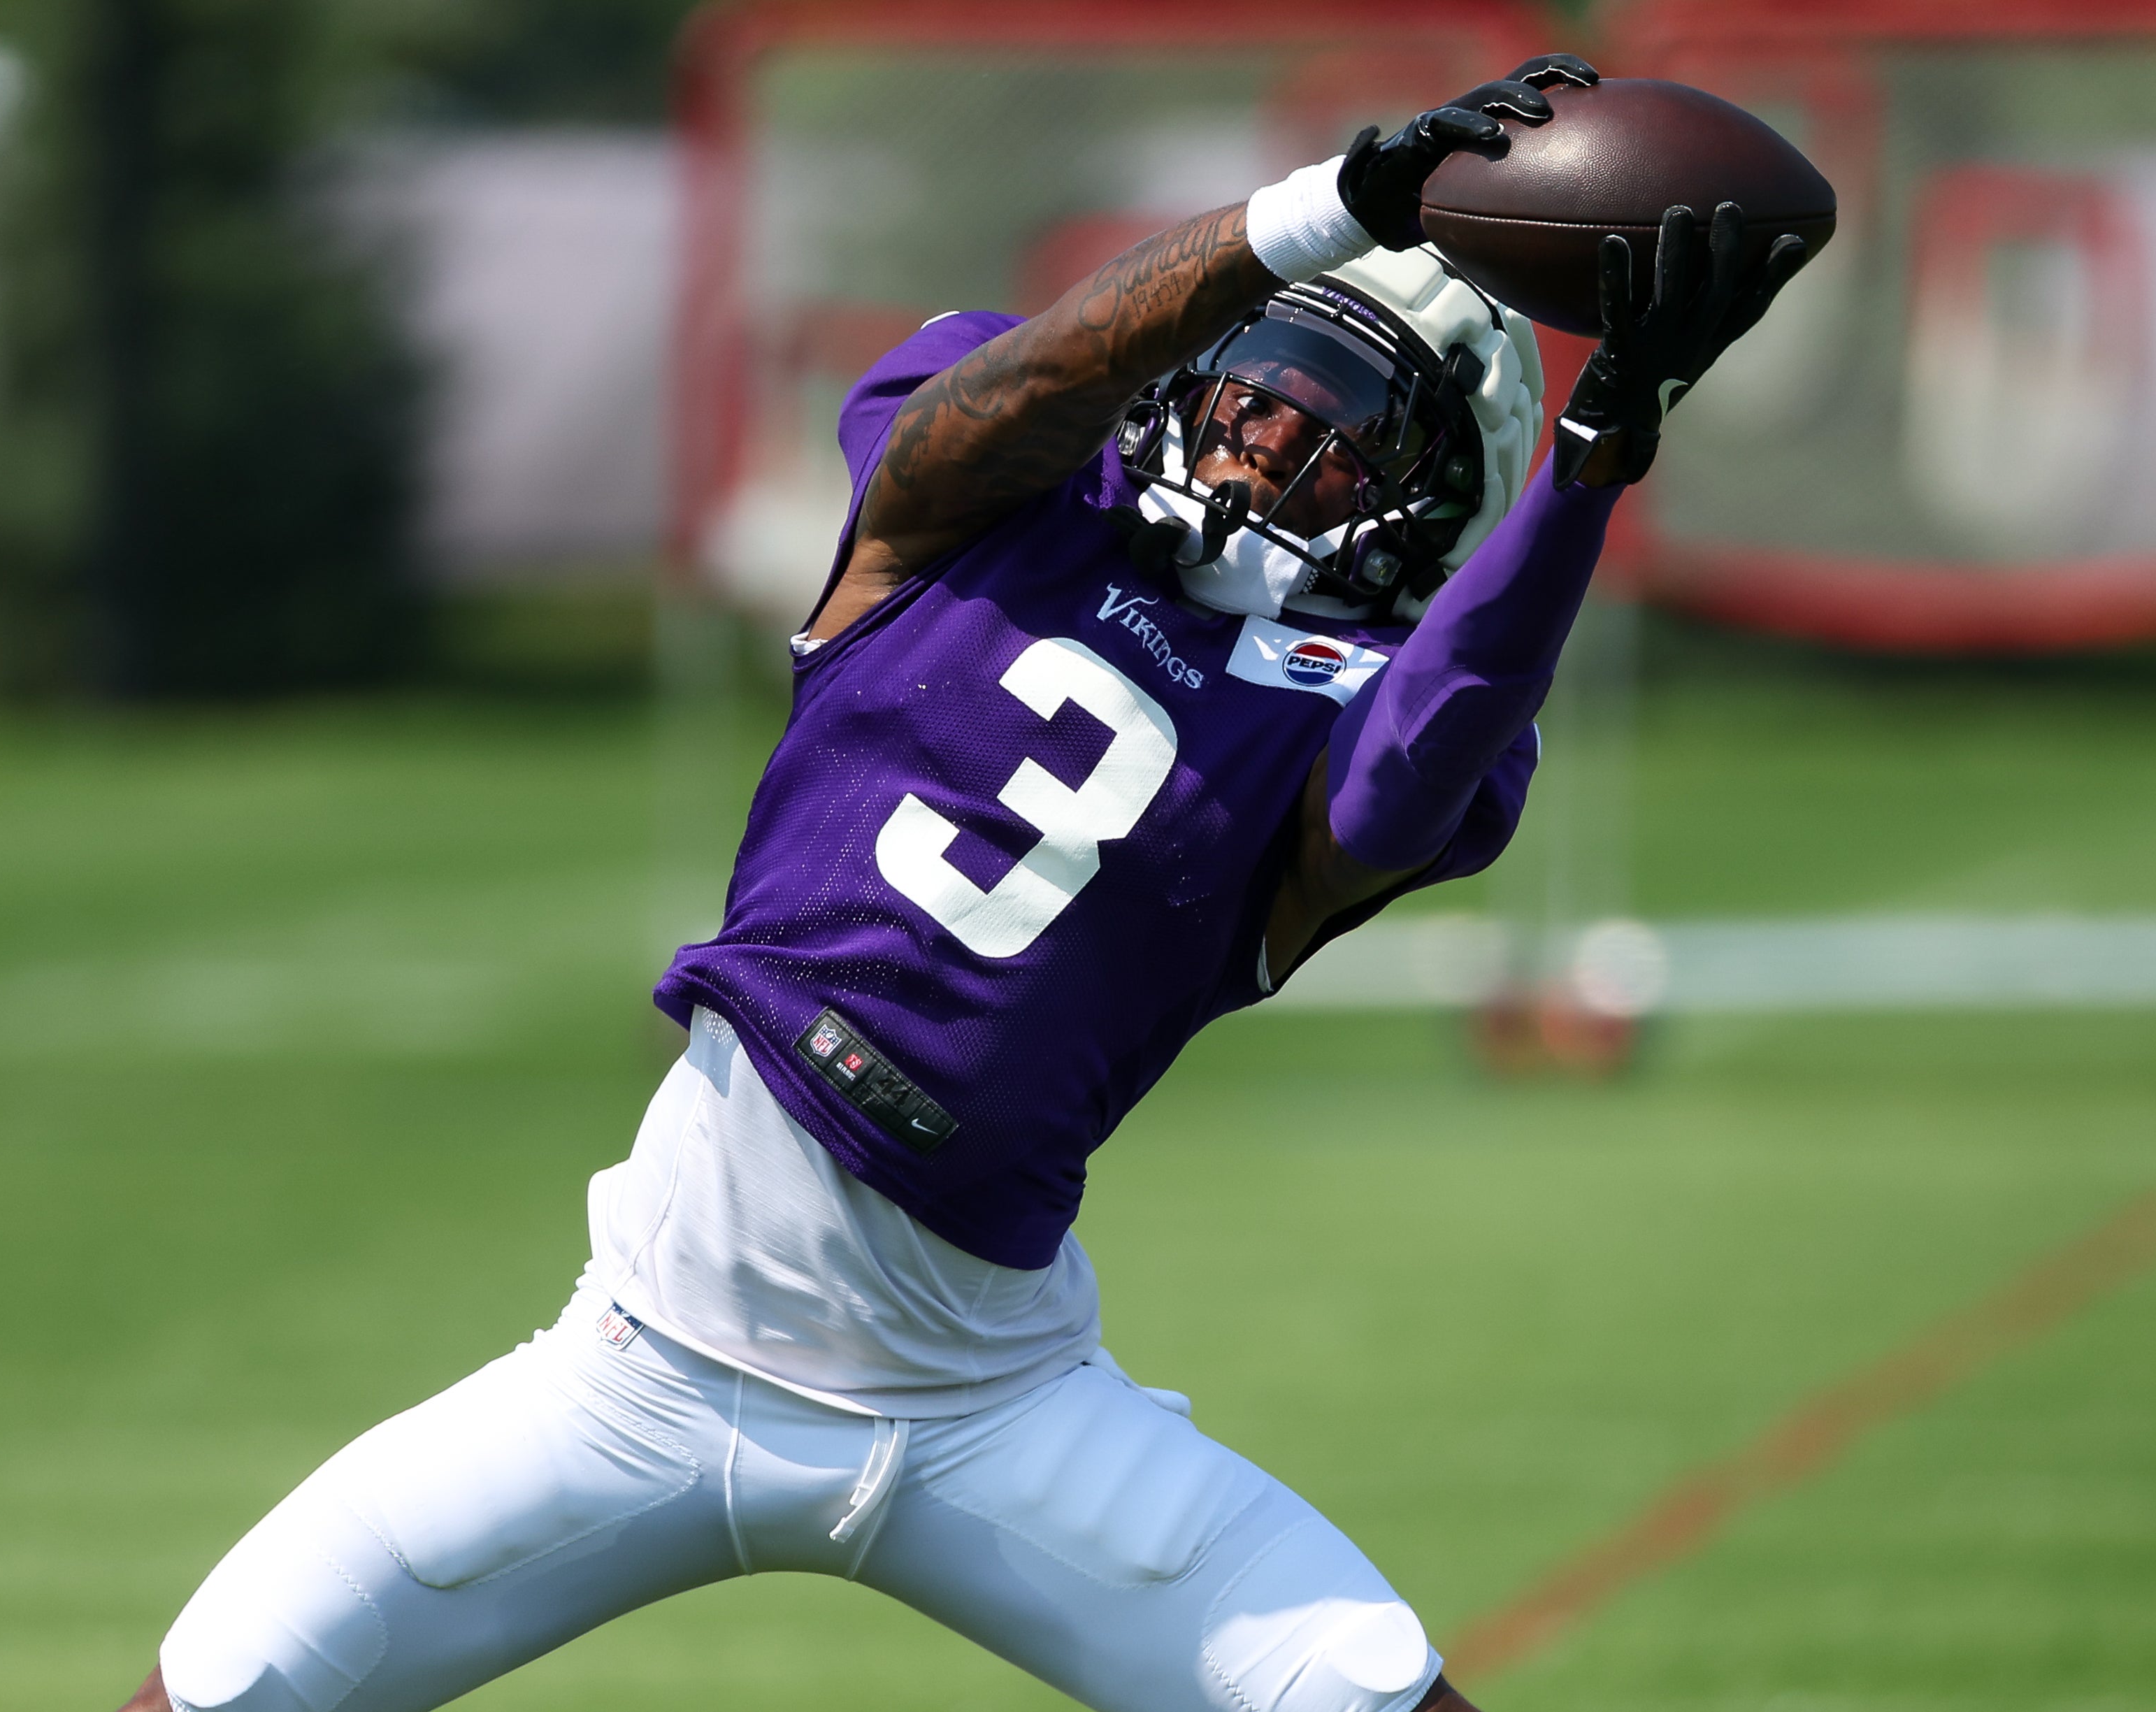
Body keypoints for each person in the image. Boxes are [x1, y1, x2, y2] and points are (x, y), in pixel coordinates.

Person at [118, 53, 1805, 1712]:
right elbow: (1003, 397)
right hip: (641, 1362)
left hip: (986, 1404)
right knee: (225, 1683)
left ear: (1430, 515)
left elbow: (1414, 770)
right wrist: (1317, 214)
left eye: (1351, 423)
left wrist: (1595, 456)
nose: (1277, 427)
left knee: (1373, 1695)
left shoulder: (1366, 704)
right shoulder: (985, 503)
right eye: (1268, 371)